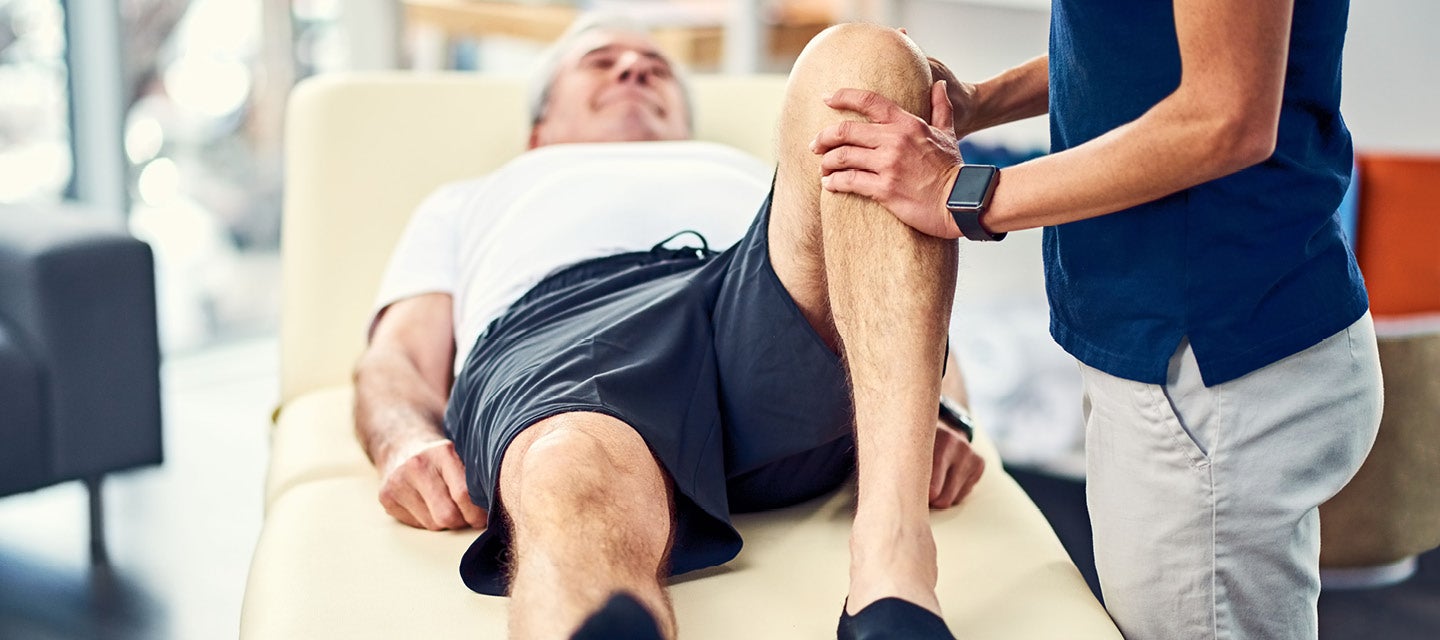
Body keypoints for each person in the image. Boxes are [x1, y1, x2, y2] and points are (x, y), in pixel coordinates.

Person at [353, 14, 985, 640]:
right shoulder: (472, 196)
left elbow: (885, 278)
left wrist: (944, 409)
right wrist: (402, 439)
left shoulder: (739, 164)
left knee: (865, 57)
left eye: (655, 69)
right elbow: (397, 354)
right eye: (600, 63)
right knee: (570, 467)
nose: (634, 68)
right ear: (539, 131)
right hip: (567, 327)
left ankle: (891, 571)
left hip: (755, 293)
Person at [811, 1, 1383, 639]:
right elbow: (1143, 46)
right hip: (1201, 342)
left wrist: (965, 193)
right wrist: (981, 101)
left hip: (1212, 361)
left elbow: (1226, 119)